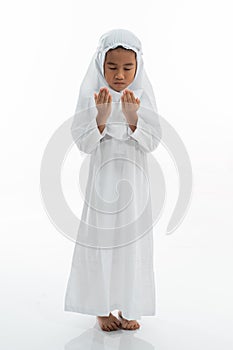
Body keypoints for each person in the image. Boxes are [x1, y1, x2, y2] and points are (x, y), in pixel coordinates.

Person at [64, 28, 162, 332]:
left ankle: (130, 304)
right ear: (100, 65)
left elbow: (153, 139)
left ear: (138, 67)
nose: (119, 75)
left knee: (132, 242)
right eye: (112, 67)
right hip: (103, 181)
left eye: (127, 68)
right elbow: (83, 142)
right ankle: (101, 308)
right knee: (103, 241)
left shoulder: (142, 97)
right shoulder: (93, 96)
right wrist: (102, 117)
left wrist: (133, 119)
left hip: (134, 182)